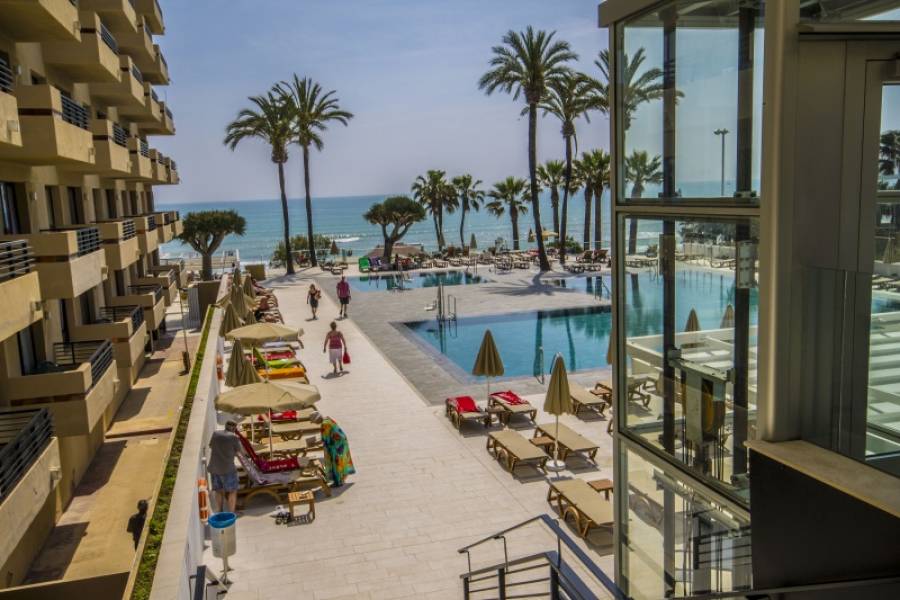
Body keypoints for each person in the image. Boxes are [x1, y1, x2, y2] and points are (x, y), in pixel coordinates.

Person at [207, 420, 242, 513]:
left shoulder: (215, 434)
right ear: (234, 428)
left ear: (225, 426)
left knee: (218, 490)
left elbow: (211, 446)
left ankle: (220, 511)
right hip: (228, 469)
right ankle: (231, 514)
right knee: (232, 491)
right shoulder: (234, 437)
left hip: (214, 468)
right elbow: (239, 451)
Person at [321, 417, 355, 486]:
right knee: (341, 460)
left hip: (336, 444)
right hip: (341, 440)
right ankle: (342, 478)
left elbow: (325, 439)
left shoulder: (324, 424)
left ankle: (338, 482)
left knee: (335, 462)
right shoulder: (328, 420)